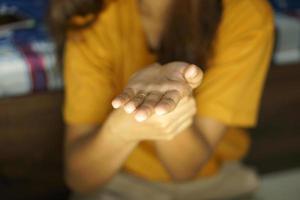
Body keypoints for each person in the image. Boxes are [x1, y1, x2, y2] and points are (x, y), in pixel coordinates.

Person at [49, 0, 274, 199]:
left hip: (213, 187)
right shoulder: (93, 18)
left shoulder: (245, 13)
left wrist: (166, 103)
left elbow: (185, 168)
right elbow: (80, 178)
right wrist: (121, 128)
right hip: (118, 183)